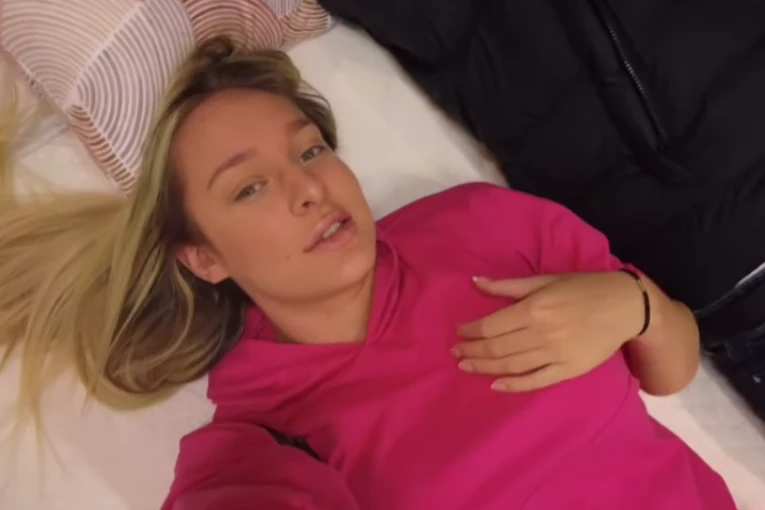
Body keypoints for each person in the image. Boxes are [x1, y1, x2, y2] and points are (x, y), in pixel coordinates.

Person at [0, 38, 735, 510]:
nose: (308, 188)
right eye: (249, 188)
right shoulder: (264, 435)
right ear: (205, 258)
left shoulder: (484, 223)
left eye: (310, 150)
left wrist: (634, 304)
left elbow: (670, 368)